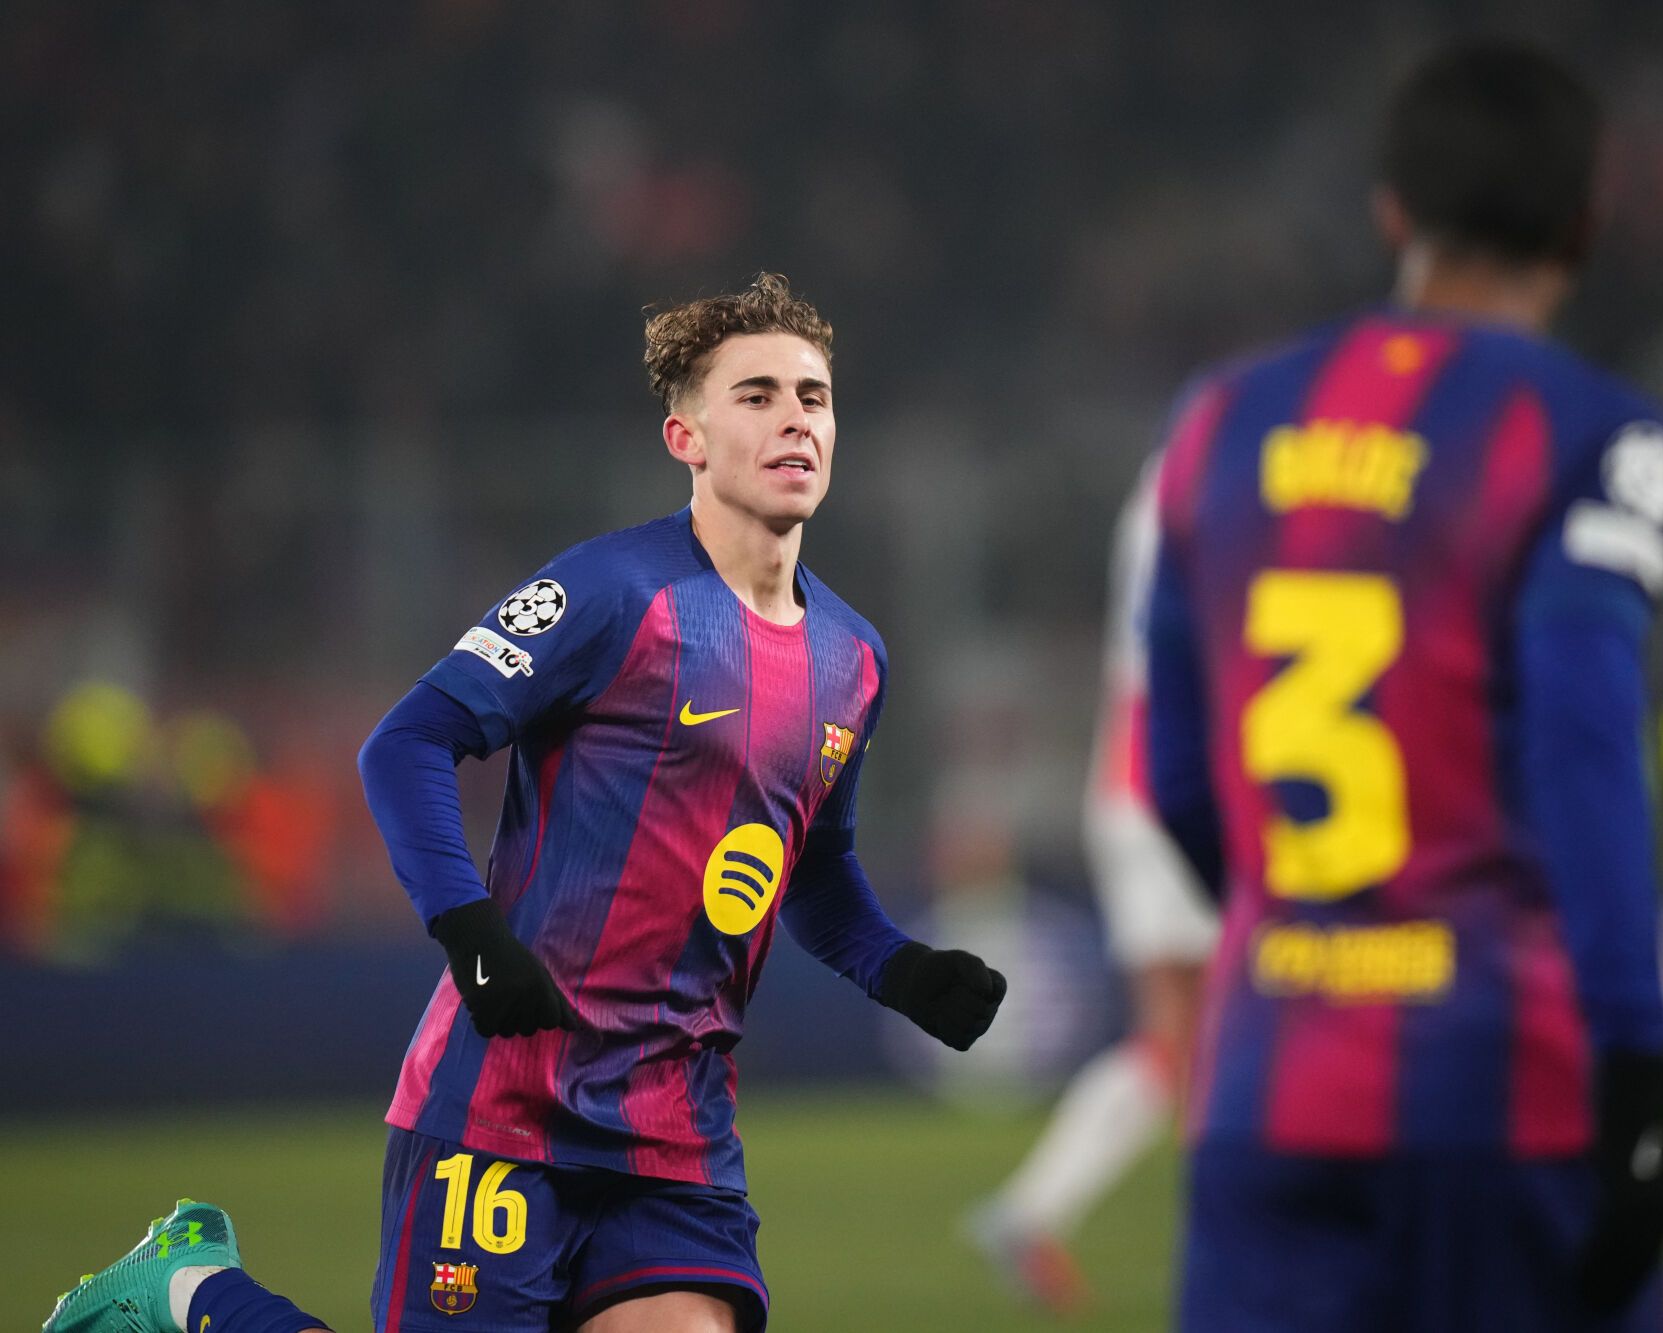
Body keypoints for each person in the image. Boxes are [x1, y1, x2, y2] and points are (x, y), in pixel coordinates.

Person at [45, 274, 1008, 1333]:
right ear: (683, 435)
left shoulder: (853, 658)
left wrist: (901, 968)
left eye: (814, 397)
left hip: (675, 1127)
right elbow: (407, 742)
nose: (795, 418)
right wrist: (473, 934)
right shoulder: (610, 592)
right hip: (506, 1101)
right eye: (758, 394)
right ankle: (191, 1291)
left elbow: (808, 867)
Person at [1142, 41, 1663, 1332]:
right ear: (1586, 222)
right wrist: (1638, 1063)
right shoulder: (1593, 434)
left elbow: (1172, 770)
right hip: (1509, 1094)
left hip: (1267, 1083)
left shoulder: (1219, 423)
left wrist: (1307, 937)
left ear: (1391, 211)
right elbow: (1584, 747)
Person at [964, 459, 1217, 1312]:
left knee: (1182, 1035)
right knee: (1213, 1030)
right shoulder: (1211, 502)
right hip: (1179, 785)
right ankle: (1232, 1229)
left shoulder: (1158, 499)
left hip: (1133, 779)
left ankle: (1034, 1211)